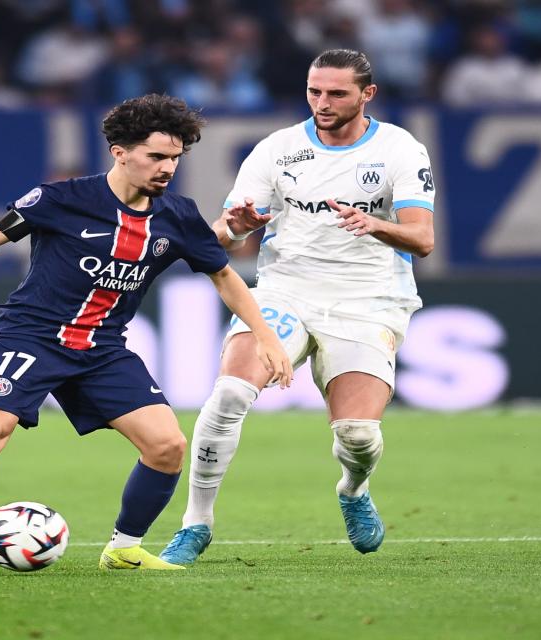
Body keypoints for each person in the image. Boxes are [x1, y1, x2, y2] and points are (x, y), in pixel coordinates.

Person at [0, 94, 293, 573]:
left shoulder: (178, 217)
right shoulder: (60, 200)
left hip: (102, 349)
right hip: (31, 336)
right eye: (156, 156)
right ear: (120, 151)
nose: (167, 167)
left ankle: (123, 549)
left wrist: (266, 336)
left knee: (167, 446)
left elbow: (225, 276)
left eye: (174, 157)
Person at [159, 49, 436, 565]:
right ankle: (195, 524)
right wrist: (235, 227)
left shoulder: (400, 149)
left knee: (357, 435)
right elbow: (221, 239)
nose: (322, 103)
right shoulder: (277, 149)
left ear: (366, 94)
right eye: (314, 91)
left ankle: (353, 489)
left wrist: (377, 224)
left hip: (368, 300)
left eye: (336, 93)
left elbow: (421, 239)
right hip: (285, 291)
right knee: (228, 396)